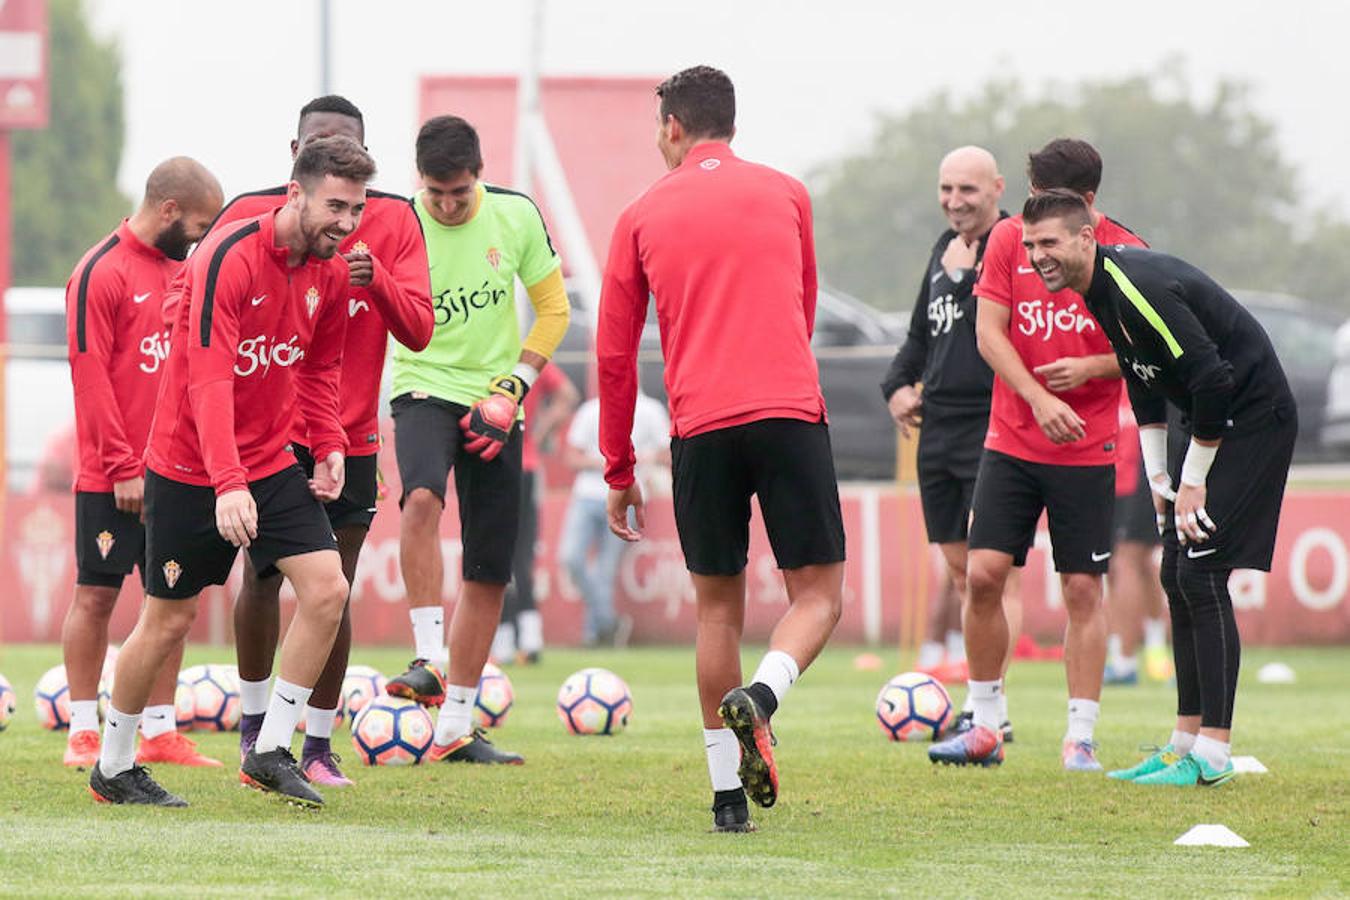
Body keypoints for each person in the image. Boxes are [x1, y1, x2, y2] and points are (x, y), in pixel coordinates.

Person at [88, 136, 375, 807]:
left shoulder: (330, 273)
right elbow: (208, 381)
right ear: (295, 192)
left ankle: (271, 749)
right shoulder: (227, 255)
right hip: (190, 467)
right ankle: (114, 765)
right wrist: (226, 484)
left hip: (271, 462)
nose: (347, 221)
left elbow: (316, 369)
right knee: (167, 621)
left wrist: (329, 440)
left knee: (328, 591)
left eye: (356, 209)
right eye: (336, 205)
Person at [600, 66, 845, 833]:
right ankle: (764, 698)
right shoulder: (788, 194)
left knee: (716, 615)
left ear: (673, 127)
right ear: (730, 123)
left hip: (700, 427)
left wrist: (619, 467)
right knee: (818, 596)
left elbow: (612, 354)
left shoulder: (640, 214)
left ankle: (726, 801)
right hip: (787, 410)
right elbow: (803, 308)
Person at [1020, 188, 1297, 786]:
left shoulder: (1134, 284)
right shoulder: (1096, 291)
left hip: (1252, 418)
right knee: (1175, 572)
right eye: (1029, 245)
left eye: (1048, 243)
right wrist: (1158, 478)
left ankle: (1213, 756)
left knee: (1202, 570)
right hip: (1208, 421)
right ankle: (1181, 743)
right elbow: (1144, 383)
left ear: (1087, 237)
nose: (1036, 255)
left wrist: (1192, 481)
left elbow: (1213, 380)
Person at [213, 95, 434, 788]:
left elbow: (421, 329)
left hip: (351, 434)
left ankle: (314, 742)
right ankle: (256, 726)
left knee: (335, 583)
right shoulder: (246, 215)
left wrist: (383, 282)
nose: (344, 211)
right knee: (261, 576)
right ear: (297, 156)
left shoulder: (393, 219)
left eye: (351, 145)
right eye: (324, 143)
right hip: (271, 436)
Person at [929, 138, 1145, 771]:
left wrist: (1093, 366)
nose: (1032, 218)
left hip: (1087, 448)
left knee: (1082, 587)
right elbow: (988, 332)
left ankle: (1080, 735)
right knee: (985, 574)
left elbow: (1151, 349)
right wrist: (1035, 398)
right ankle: (985, 721)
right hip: (1011, 442)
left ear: (1086, 206)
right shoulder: (1007, 241)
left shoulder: (1127, 252)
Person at [383, 115, 570, 765]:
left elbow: (554, 310)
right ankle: (427, 656)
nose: (447, 205)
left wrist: (515, 385)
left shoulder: (516, 216)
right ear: (420, 183)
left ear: (480, 176)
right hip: (422, 384)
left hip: (497, 400)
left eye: (459, 193)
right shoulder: (397, 222)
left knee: (491, 565)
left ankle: (455, 727)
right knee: (422, 501)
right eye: (435, 194)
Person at [61, 157, 224, 770]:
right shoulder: (98, 271)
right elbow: (90, 377)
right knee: (96, 597)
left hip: (174, 470)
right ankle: (83, 729)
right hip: (114, 473)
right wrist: (122, 463)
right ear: (169, 211)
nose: (206, 237)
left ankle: (159, 729)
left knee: (170, 600)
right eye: (201, 224)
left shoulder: (185, 271)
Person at [879, 146, 1021, 736]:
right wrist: (895, 389)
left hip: (994, 428)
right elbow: (919, 338)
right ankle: (986, 703)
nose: (954, 202)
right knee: (964, 575)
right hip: (935, 435)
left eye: (966, 190)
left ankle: (992, 707)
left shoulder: (1015, 245)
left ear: (996, 188)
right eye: (946, 189)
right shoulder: (941, 250)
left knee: (994, 575)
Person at [560, 391, 669, 646]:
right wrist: (607, 463)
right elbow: (571, 455)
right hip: (586, 494)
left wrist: (640, 459)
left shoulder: (649, 410)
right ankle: (608, 623)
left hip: (626, 494)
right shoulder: (590, 410)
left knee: (605, 570)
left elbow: (668, 451)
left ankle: (594, 636)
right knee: (571, 558)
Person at [492, 362, 580, 665]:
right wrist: (539, 430)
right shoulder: (532, 357)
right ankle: (530, 639)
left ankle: (503, 642)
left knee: (493, 551)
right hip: (526, 464)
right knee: (523, 553)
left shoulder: (489, 352)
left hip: (493, 462)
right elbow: (567, 394)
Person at [1104, 392, 1172, 685]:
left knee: (1124, 560)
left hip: (1131, 463)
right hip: (1144, 459)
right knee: (1142, 560)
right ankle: (1156, 650)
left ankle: (1124, 659)